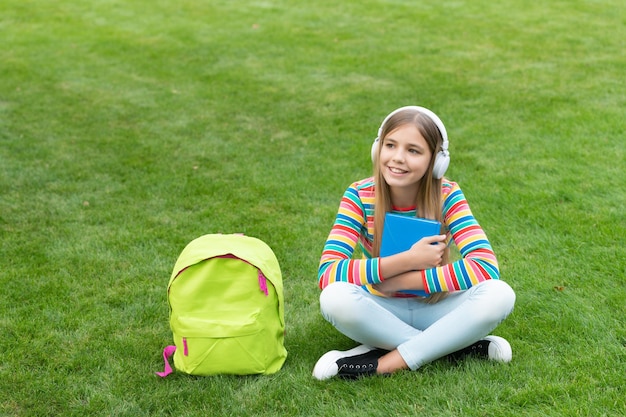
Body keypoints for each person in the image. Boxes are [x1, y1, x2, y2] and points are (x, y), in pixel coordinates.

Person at [312, 105, 516, 380]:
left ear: (436, 160)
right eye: (391, 145)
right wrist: (407, 260)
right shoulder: (359, 195)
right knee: (334, 298)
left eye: (413, 150)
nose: (397, 158)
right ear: (378, 148)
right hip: (380, 308)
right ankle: (451, 347)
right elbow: (328, 273)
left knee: (499, 294)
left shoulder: (448, 194)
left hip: (437, 306)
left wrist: (399, 282)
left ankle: (384, 362)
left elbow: (485, 267)